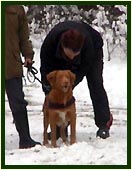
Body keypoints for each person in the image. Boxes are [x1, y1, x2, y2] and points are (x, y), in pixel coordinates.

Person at [40, 21, 113, 139]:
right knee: (56, 90)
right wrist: (48, 87)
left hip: (94, 49)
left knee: (96, 84)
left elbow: (83, 69)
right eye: (70, 54)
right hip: (57, 55)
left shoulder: (87, 45)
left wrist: (70, 85)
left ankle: (103, 123)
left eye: (76, 54)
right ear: (63, 47)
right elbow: (46, 70)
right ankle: (59, 128)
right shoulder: (50, 44)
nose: (73, 57)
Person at [5, 5, 41, 149]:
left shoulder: (16, 8)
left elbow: (23, 36)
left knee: (18, 102)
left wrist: (28, 55)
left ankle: (25, 139)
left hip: (11, 63)